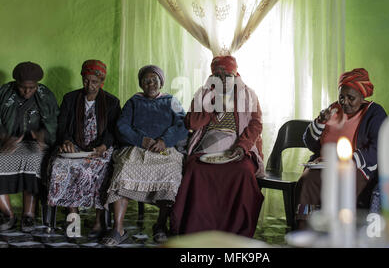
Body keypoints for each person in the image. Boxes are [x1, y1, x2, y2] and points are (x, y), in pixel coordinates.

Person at [170, 55, 265, 238]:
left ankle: (236, 231)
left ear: (235, 74)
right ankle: (197, 229)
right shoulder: (204, 93)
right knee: (195, 170)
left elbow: (256, 124)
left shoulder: (248, 94)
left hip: (237, 146)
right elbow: (191, 123)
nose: (222, 79)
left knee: (243, 172)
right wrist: (211, 106)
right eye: (218, 75)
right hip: (207, 145)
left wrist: (242, 147)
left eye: (227, 75)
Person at [102, 65, 188, 246]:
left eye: (154, 80)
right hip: (138, 148)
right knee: (123, 169)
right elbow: (122, 126)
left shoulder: (171, 100)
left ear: (161, 82)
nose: (151, 84)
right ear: (141, 84)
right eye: (146, 81)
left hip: (164, 148)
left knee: (171, 172)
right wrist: (141, 140)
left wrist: (164, 141)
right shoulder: (134, 101)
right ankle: (118, 229)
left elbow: (181, 125)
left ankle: (160, 225)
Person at [295, 68, 387, 229]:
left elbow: (377, 149)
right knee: (306, 181)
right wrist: (319, 123)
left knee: (342, 186)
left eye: (351, 98)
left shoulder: (375, 113)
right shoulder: (334, 109)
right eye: (341, 97)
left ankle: (337, 233)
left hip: (356, 167)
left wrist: (347, 161)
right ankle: (305, 230)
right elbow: (309, 142)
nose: (344, 102)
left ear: (362, 96)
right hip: (323, 164)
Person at [47, 60, 121, 237]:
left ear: (102, 81)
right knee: (60, 166)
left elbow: (113, 130)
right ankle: (73, 216)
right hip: (76, 146)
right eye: (86, 81)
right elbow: (62, 126)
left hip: (99, 149)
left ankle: (99, 219)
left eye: (94, 82)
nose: (90, 85)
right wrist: (66, 141)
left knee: (102, 169)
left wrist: (103, 145)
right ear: (82, 78)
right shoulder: (70, 98)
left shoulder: (111, 102)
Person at [0, 62, 59, 232]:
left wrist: (43, 136)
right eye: (22, 87)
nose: (27, 92)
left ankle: (29, 215)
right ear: (15, 83)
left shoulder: (45, 95)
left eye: (31, 88)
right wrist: (4, 138)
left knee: (34, 160)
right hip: (8, 143)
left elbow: (54, 122)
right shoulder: (4, 92)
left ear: (37, 85)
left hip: (36, 145)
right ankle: (7, 214)